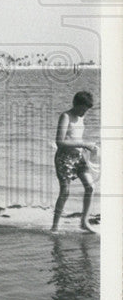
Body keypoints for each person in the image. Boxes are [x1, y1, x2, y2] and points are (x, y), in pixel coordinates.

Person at [52, 91, 98, 233]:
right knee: (65, 192)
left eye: (87, 110)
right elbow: (59, 142)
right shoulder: (66, 116)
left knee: (90, 187)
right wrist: (83, 144)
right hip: (64, 159)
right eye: (83, 109)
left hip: (78, 157)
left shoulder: (81, 117)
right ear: (76, 104)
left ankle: (84, 222)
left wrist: (90, 149)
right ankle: (55, 226)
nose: (85, 112)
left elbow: (77, 137)